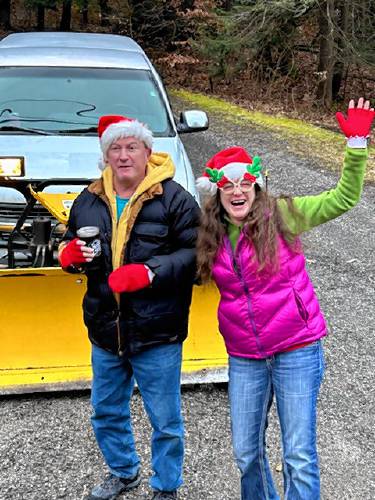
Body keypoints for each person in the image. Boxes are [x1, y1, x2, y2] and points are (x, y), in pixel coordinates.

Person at [195, 98, 374, 500]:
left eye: (245, 183)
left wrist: (358, 144)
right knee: (246, 452)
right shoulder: (211, 234)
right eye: (228, 185)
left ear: (256, 185)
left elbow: (343, 199)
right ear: (217, 193)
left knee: (298, 455)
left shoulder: (282, 215)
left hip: (296, 347)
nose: (238, 190)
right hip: (245, 355)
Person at [58, 115, 200, 500]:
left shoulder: (174, 199)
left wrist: (152, 273)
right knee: (105, 411)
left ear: (147, 152)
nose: (123, 156)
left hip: (157, 331)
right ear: (105, 156)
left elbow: (197, 254)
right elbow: (72, 242)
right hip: (106, 329)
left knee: (166, 420)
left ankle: (166, 487)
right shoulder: (89, 199)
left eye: (131, 147)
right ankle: (124, 472)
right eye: (115, 149)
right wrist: (69, 254)